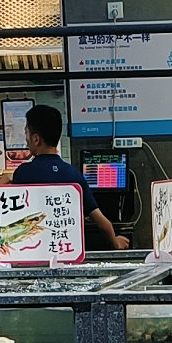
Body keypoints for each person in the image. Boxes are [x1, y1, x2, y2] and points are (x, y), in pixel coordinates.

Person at [12, 104, 128, 251]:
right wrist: (115, 243)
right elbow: (102, 223)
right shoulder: (73, 175)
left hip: (34, 250)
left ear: (36, 139)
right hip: (67, 251)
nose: (26, 140)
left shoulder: (23, 173)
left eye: (26, 134)